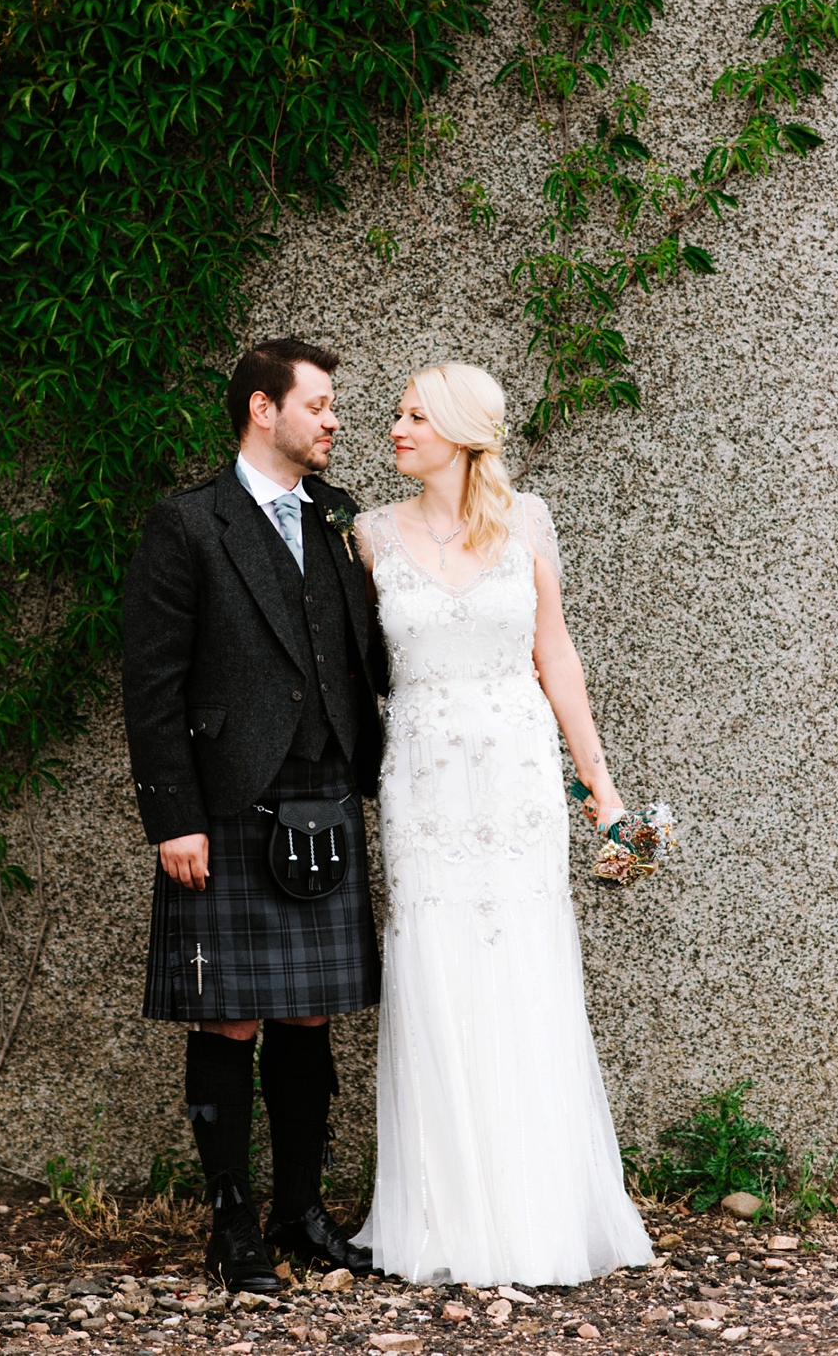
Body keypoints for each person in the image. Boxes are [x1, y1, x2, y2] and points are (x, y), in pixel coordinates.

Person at [354, 362, 653, 1286]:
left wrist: (600, 787)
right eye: (397, 414)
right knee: (436, 965)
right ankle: (443, 1218)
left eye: (413, 415)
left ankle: (540, 1210)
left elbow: (555, 655)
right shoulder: (367, 535)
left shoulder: (526, 521)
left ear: (460, 430)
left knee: (523, 960)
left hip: (517, 776)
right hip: (424, 779)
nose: (395, 428)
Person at [122, 339, 385, 1293]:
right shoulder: (189, 524)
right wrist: (172, 816)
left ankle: (300, 1212)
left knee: (308, 1014)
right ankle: (232, 1224)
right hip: (228, 807)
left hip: (323, 791)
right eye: (319, 404)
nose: (334, 420)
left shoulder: (340, 518)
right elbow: (151, 684)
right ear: (261, 409)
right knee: (230, 1018)